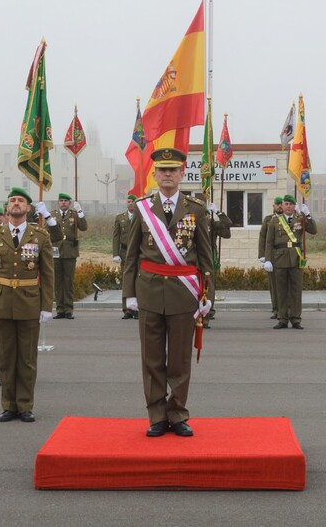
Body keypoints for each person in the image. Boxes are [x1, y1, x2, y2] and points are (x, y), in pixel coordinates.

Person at [122, 147, 212, 437]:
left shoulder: (195, 208)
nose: (168, 175)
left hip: (184, 295)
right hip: (148, 292)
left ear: (182, 173)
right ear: (155, 175)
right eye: (163, 170)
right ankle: (157, 415)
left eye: (173, 170)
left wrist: (207, 294)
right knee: (151, 359)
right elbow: (132, 255)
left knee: (180, 359)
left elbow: (206, 257)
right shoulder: (142, 208)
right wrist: (129, 294)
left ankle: (178, 413)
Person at [0, 187, 53, 423]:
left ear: (28, 209)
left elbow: (48, 274)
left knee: (27, 359)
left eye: (20, 201)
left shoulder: (40, 236)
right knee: (5, 357)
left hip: (29, 302)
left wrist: (46, 306)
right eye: (12, 200)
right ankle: (8, 405)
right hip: (1, 302)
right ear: (6, 207)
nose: (16, 204)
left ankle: (25, 405)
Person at [263, 194, 317, 330]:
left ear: (294, 206)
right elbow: (269, 242)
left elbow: (313, 230)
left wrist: (308, 215)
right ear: (282, 206)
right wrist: (268, 260)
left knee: (296, 291)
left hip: (296, 259)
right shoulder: (274, 221)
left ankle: (296, 319)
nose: (288, 207)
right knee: (281, 290)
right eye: (286, 204)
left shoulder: (300, 218)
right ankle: (282, 318)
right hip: (279, 259)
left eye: (291, 204)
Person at [51, 193, 87, 319]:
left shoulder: (74, 214)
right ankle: (60, 309)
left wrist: (80, 211)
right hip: (56, 251)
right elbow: (46, 230)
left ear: (70, 203)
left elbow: (84, 227)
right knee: (58, 282)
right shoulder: (52, 215)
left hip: (70, 251)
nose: (63, 203)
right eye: (61, 201)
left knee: (68, 281)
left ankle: (68, 309)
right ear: (58, 203)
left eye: (66, 201)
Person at [202, 201, 232, 327]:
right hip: (196, 259)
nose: (206, 218)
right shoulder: (193, 224)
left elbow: (227, 224)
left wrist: (218, 212)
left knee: (210, 287)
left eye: (207, 215)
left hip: (209, 259)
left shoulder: (212, 225)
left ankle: (208, 313)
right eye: (204, 215)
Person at [113, 195, 139, 319]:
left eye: (133, 201)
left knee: (138, 280)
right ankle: (127, 309)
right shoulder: (120, 218)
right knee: (126, 281)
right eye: (129, 201)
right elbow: (116, 237)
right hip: (125, 252)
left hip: (139, 253)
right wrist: (116, 254)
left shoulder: (142, 216)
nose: (131, 204)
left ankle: (138, 308)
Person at [259, 197, 284, 318]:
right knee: (274, 284)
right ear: (273, 206)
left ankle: (286, 309)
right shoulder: (268, 219)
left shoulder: (289, 219)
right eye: (277, 205)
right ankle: (276, 309)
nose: (279, 206)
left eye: (281, 204)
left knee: (285, 284)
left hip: (284, 255)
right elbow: (263, 238)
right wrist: (262, 256)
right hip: (272, 255)